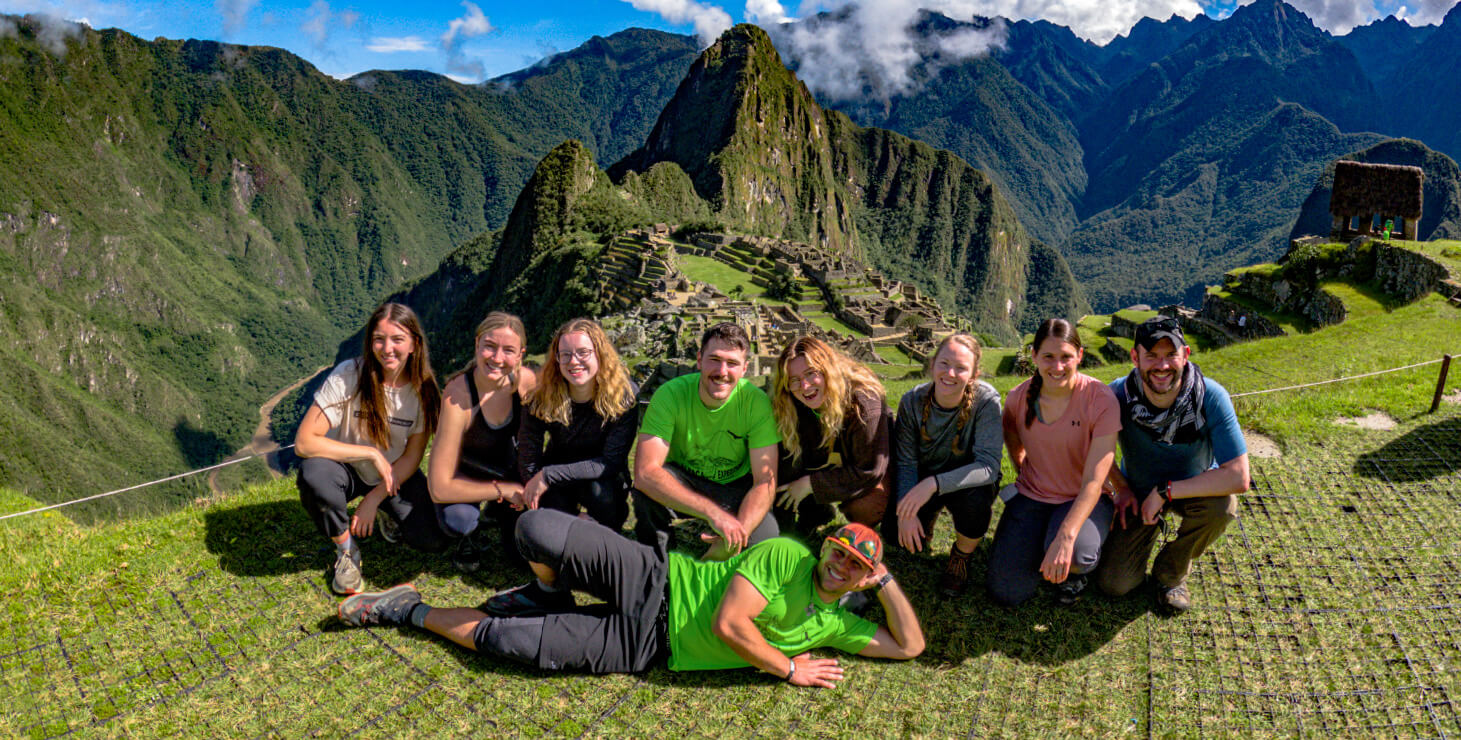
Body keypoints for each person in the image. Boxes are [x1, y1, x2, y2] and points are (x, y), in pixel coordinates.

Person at [336, 510, 923, 685]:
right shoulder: (788, 557)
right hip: (655, 578)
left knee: (504, 642)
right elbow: (729, 625)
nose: (843, 565)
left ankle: (405, 607)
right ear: (825, 549)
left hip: (644, 647)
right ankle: (544, 591)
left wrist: (888, 582)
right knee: (534, 530)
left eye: (858, 567)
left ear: (863, 579)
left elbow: (909, 647)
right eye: (840, 553)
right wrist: (789, 667)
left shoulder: (834, 626)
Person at [1096, 316, 1249, 614]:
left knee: (1224, 507)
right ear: (1135, 357)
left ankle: (1171, 573)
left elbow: (1239, 476)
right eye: (1151, 355)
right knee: (1114, 585)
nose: (1162, 366)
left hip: (1193, 486)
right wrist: (1121, 488)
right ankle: (1149, 529)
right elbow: (1094, 448)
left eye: (1170, 355)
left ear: (1186, 355)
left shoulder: (1211, 397)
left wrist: (1166, 492)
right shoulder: (1116, 395)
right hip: (1138, 491)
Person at [295, 302, 444, 595]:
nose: (386, 348)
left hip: (391, 474)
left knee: (433, 539)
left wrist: (374, 499)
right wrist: (370, 453)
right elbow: (304, 442)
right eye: (379, 339)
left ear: (414, 344)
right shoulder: (349, 374)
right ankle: (346, 550)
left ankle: (386, 512)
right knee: (314, 475)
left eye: (397, 339)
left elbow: (413, 456)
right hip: (346, 468)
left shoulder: (423, 391)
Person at [988, 319, 1120, 607]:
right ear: (1034, 356)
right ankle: (1043, 544)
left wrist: (1066, 535)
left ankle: (1074, 571)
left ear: (1080, 356)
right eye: (1048, 357)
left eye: (1066, 357)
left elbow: (1095, 480)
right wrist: (1025, 471)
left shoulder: (1100, 399)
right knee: (1006, 591)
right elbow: (1013, 439)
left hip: (1083, 498)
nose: (1057, 367)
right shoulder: (1018, 398)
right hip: (1033, 495)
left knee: (1075, 553)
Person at [633, 322, 780, 560]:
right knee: (646, 494)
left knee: (767, 537)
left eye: (732, 363)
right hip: (685, 480)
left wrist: (736, 533)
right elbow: (645, 473)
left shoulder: (756, 403)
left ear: (744, 369)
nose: (722, 371)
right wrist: (713, 513)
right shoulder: (670, 395)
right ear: (699, 360)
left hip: (735, 487)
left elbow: (765, 481)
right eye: (715, 359)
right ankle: (656, 562)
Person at [890, 333, 1003, 597]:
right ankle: (925, 518)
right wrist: (906, 513)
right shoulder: (911, 401)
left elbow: (988, 467)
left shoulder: (986, 401)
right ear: (932, 364)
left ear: (974, 375)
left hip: (968, 482)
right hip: (926, 473)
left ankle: (961, 556)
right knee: (896, 534)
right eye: (944, 363)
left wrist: (933, 484)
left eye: (961, 368)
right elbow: (906, 460)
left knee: (975, 506)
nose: (950, 373)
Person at [427, 312, 537, 572]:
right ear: (477, 344)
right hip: (466, 475)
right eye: (489, 346)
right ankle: (469, 535)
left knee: (523, 560)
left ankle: (496, 514)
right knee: (459, 520)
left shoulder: (527, 383)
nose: (497, 358)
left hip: (509, 471)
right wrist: (504, 491)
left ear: (521, 354)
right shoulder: (458, 396)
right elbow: (439, 488)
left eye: (508, 350)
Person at [516, 318, 638, 530]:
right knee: (547, 519)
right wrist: (534, 484)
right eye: (566, 355)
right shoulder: (540, 397)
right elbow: (528, 452)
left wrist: (548, 475)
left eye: (583, 352)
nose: (573, 361)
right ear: (557, 359)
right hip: (556, 475)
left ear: (600, 353)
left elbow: (610, 461)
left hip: (603, 477)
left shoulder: (624, 396)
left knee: (602, 498)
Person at [769, 336, 892, 538]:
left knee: (866, 508)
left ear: (828, 370)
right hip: (828, 456)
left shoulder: (864, 402)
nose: (805, 386)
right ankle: (812, 515)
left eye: (811, 374)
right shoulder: (790, 401)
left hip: (867, 464)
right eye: (794, 380)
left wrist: (810, 484)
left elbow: (870, 469)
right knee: (784, 457)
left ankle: (872, 517)